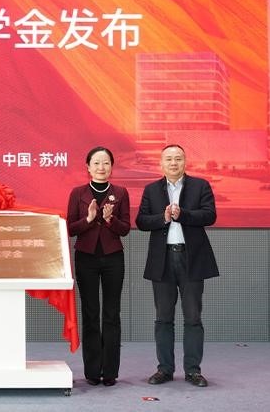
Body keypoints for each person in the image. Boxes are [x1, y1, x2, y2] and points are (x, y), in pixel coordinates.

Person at [135, 144, 219, 388]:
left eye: (178, 159)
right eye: (169, 159)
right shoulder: (152, 189)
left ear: (185, 162)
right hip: (162, 260)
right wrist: (162, 218)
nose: (173, 163)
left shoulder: (200, 186)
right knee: (163, 317)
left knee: (193, 317)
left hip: (191, 259)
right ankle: (165, 369)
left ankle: (193, 370)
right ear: (161, 163)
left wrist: (183, 215)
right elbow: (141, 221)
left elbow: (210, 215)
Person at [66, 146, 130, 387]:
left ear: (112, 166)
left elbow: (125, 229)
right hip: (86, 258)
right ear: (88, 167)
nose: (101, 167)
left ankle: (110, 371)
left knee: (112, 314)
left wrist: (110, 219)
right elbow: (70, 228)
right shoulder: (78, 193)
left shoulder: (121, 192)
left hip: (113, 258)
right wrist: (89, 219)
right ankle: (92, 371)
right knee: (91, 313)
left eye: (106, 163)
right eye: (96, 163)